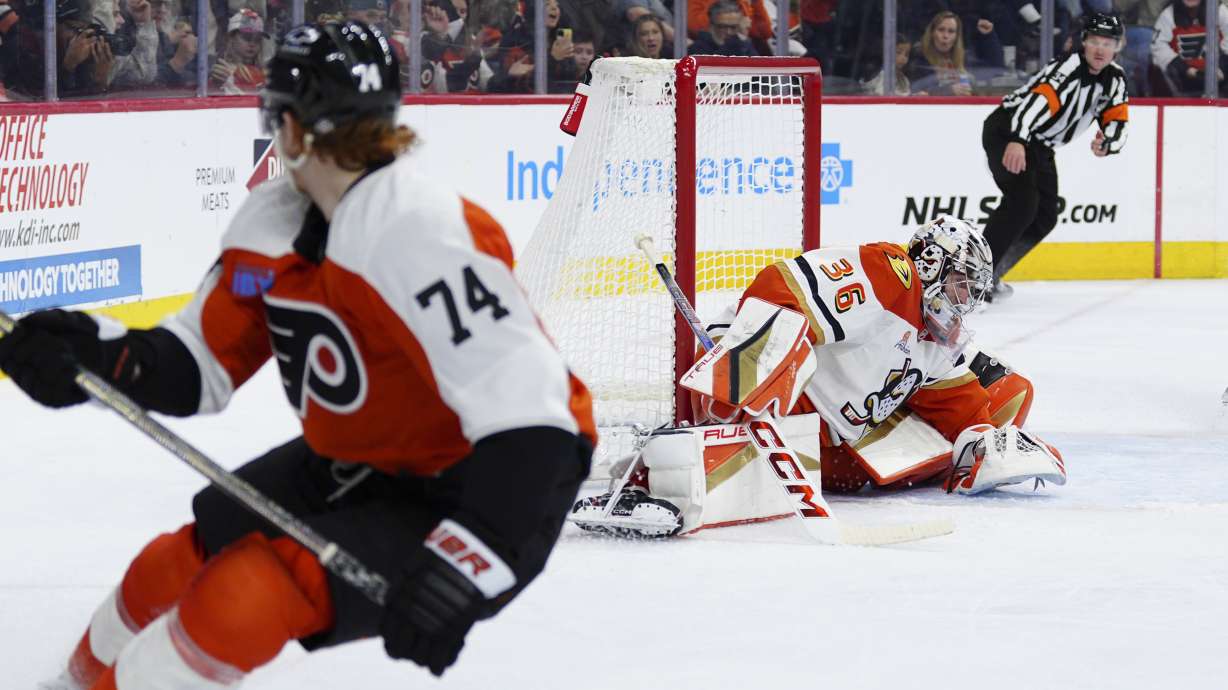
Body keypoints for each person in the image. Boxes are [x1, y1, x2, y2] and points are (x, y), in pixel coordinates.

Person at [1, 20, 595, 689]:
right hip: (356, 458)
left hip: (475, 487)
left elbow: (540, 429)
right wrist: (95, 358)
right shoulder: (271, 223)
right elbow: (200, 363)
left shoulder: (422, 234)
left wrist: (467, 562)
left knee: (245, 596)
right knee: (174, 564)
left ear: (289, 126)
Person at [572, 216, 1066, 538]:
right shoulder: (890, 272)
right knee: (781, 339)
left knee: (1010, 394)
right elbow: (778, 288)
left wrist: (985, 445)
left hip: (826, 440)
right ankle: (651, 482)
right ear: (933, 265)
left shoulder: (938, 338)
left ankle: (759, 454)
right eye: (961, 284)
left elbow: (965, 415)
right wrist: (755, 375)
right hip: (759, 377)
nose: (965, 300)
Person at [980, 11, 1128, 300]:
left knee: (1045, 216)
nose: (1101, 49)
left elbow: (1118, 123)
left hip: (1039, 145)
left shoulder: (1115, 79)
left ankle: (991, 272)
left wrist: (1108, 142)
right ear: (1084, 42)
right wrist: (1018, 139)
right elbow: (1034, 104)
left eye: (1109, 43)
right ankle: (971, 280)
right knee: (1022, 203)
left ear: (1117, 48)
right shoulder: (1068, 67)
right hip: (1008, 130)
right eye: (1096, 41)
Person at [1151, 0, 1228, 97]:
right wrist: (1185, 69)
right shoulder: (1168, 15)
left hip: (1221, 80)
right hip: (1183, 81)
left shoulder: (1220, 11)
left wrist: (1222, 69)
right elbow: (1159, 48)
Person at [906, 11, 978, 96]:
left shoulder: (964, 59)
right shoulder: (919, 58)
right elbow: (917, 91)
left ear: (956, 36)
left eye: (951, 31)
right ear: (932, 33)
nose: (945, 36)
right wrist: (948, 91)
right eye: (941, 30)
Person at [209, 8, 267, 94]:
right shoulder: (221, 71)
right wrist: (215, 85)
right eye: (247, 37)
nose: (252, 43)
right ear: (231, 38)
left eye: (257, 40)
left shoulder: (265, 72)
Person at [688, 0, 757, 57]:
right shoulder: (697, 49)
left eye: (733, 27)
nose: (728, 32)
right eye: (722, 27)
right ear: (711, 26)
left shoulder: (743, 43)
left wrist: (743, 37)